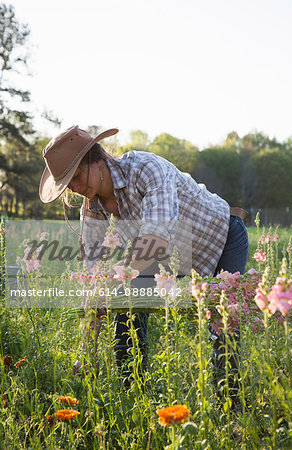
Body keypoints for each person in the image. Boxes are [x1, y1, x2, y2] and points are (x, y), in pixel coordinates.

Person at [39, 125, 249, 389]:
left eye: (78, 176)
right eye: (69, 185)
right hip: (167, 254)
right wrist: (87, 349)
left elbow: (155, 240)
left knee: (223, 320)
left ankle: (229, 402)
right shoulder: (92, 210)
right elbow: (93, 280)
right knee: (124, 304)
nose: (76, 188)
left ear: (97, 160)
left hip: (220, 236)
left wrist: (112, 283)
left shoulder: (146, 168)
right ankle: (134, 391)